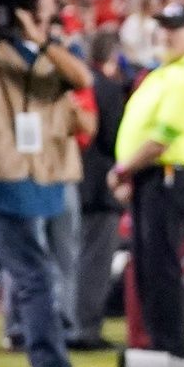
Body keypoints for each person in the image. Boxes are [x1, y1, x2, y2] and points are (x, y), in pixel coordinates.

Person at [0, 0, 106, 367]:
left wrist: (41, 41)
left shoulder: (57, 52)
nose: (50, 3)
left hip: (40, 176)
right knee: (36, 276)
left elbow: (82, 79)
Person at [110, 3, 184, 362]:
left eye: (175, 27)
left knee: (160, 262)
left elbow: (162, 138)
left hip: (168, 175)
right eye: (163, 27)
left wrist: (124, 170)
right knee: (148, 261)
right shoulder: (166, 73)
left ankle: (169, 344)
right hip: (152, 176)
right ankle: (156, 340)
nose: (166, 34)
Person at [71, 28, 128, 350]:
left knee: (73, 259)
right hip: (99, 185)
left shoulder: (77, 83)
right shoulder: (107, 88)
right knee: (95, 262)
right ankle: (85, 328)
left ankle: (70, 323)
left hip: (72, 181)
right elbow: (113, 139)